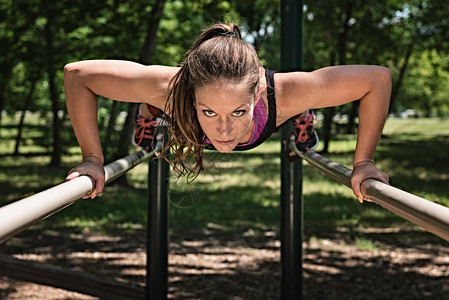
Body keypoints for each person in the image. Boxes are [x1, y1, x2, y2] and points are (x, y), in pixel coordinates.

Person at [64, 23, 390, 203]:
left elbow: (377, 79)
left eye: (237, 113)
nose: (223, 131)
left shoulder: (286, 92)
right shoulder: (170, 88)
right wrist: (92, 158)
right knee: (155, 98)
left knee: (301, 100)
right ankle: (149, 113)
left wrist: (364, 162)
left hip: (282, 106)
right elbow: (77, 75)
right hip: (170, 100)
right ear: (192, 98)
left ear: (258, 95)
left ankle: (301, 117)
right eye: (208, 112)